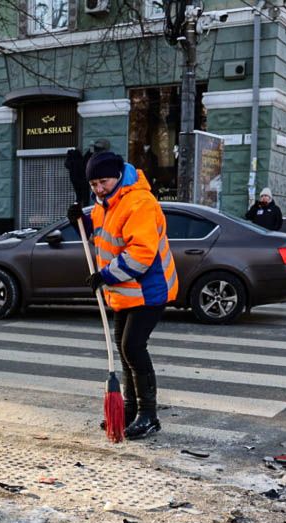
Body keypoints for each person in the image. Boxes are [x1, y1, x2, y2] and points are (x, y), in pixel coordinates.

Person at [67, 151, 178, 440]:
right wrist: (82, 222)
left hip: (149, 288)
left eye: (103, 181)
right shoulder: (106, 204)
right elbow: (104, 235)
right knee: (125, 349)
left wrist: (105, 275)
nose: (98, 188)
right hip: (124, 292)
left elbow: (141, 253)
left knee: (133, 348)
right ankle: (129, 410)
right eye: (93, 184)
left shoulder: (139, 202)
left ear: (118, 176)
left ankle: (148, 415)